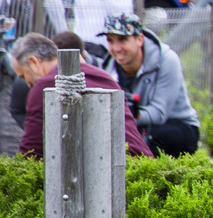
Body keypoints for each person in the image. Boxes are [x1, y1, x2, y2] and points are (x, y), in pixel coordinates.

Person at [11, 32, 154, 161]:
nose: (27, 84)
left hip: (108, 169)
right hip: (142, 164)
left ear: (34, 62)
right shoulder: (103, 75)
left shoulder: (44, 87)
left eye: (23, 76)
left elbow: (32, 153)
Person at [102, 13, 202, 157]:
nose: (116, 48)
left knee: (149, 137)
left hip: (178, 127)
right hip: (134, 124)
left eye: (122, 39)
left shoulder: (167, 60)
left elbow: (159, 113)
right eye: (110, 40)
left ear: (139, 39)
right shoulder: (108, 67)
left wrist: (123, 116)